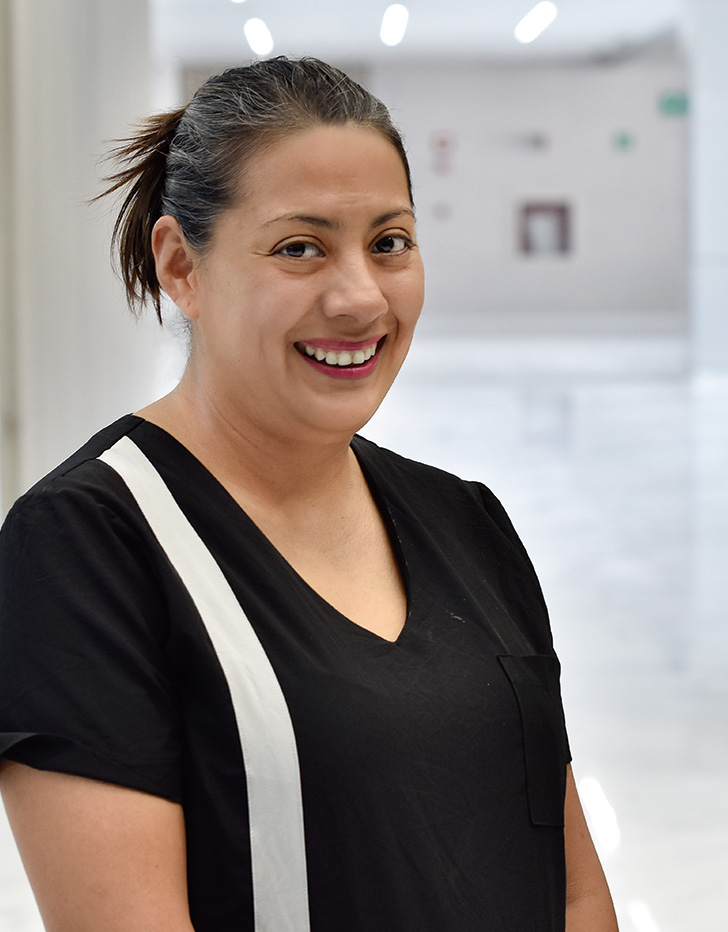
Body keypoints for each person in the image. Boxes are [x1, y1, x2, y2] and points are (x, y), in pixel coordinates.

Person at [0, 57, 617, 932]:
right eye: (301, 247)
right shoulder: (88, 546)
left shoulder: (466, 520)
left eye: (390, 243)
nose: (361, 297)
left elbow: (576, 892)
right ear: (181, 265)